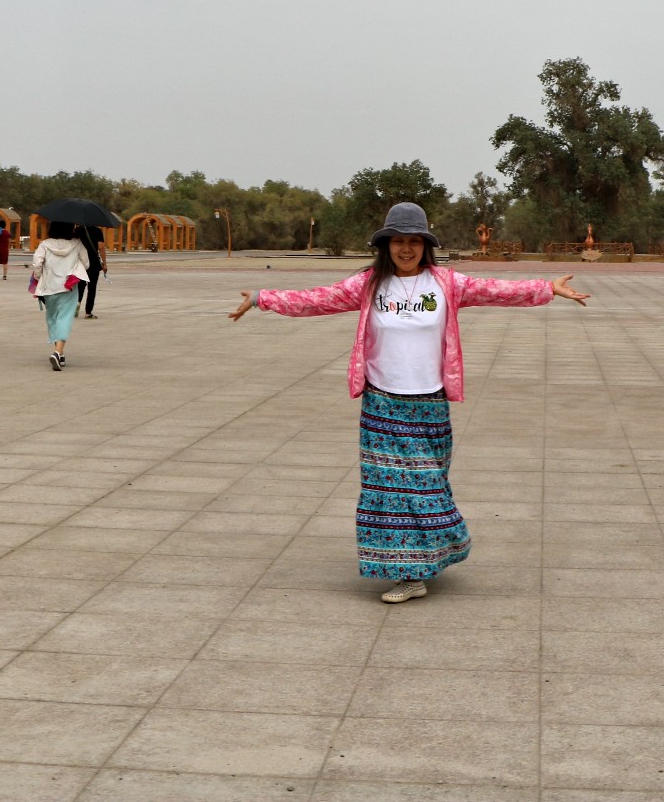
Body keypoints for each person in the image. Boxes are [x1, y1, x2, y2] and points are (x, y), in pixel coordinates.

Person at [229, 201, 588, 603]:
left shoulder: (447, 283)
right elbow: (316, 299)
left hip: (430, 403)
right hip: (381, 403)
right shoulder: (369, 284)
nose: (406, 248)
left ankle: (435, 549)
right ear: (386, 245)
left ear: (425, 246)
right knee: (390, 492)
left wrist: (547, 288)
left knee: (427, 488)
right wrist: (262, 298)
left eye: (414, 241)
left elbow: (496, 290)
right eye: (398, 241)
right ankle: (409, 574)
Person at [28, 220, 90, 371]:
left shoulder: (45, 244)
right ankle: (57, 352)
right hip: (69, 287)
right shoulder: (77, 244)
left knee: (53, 318)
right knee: (64, 318)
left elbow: (37, 264)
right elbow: (86, 263)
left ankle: (59, 353)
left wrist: (38, 277)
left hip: (49, 287)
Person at [73, 222, 107, 319]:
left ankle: (77, 303)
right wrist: (104, 263)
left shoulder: (78, 230)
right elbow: (101, 247)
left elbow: (73, 244)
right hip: (94, 263)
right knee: (92, 288)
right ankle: (88, 312)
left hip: (81, 262)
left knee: (80, 286)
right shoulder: (97, 230)